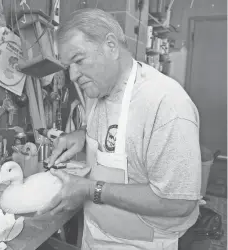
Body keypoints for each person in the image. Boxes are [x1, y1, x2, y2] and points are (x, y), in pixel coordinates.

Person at [37, 8, 202, 250]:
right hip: (95, 237)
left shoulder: (166, 104)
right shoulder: (99, 88)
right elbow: (116, 127)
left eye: (79, 60)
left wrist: (90, 189)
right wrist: (81, 134)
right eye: (67, 66)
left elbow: (178, 202)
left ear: (111, 46)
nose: (72, 75)